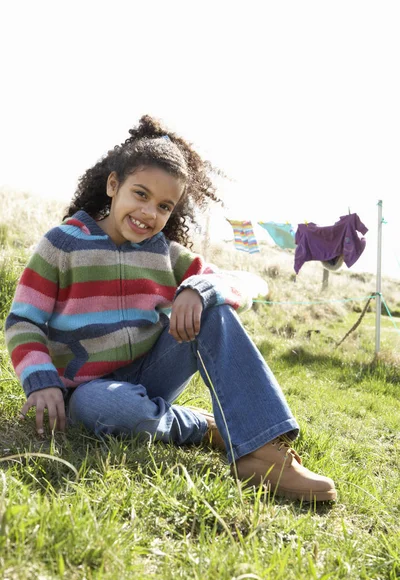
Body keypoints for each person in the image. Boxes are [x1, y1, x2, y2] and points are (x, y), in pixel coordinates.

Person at [5, 116, 336, 502]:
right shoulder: (63, 244)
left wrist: (199, 287)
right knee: (101, 405)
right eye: (140, 194)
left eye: (164, 206)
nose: (149, 213)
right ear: (114, 185)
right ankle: (205, 427)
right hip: (88, 392)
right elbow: (23, 320)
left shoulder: (165, 253)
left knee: (214, 305)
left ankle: (260, 451)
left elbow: (250, 284)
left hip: (152, 374)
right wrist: (41, 380)